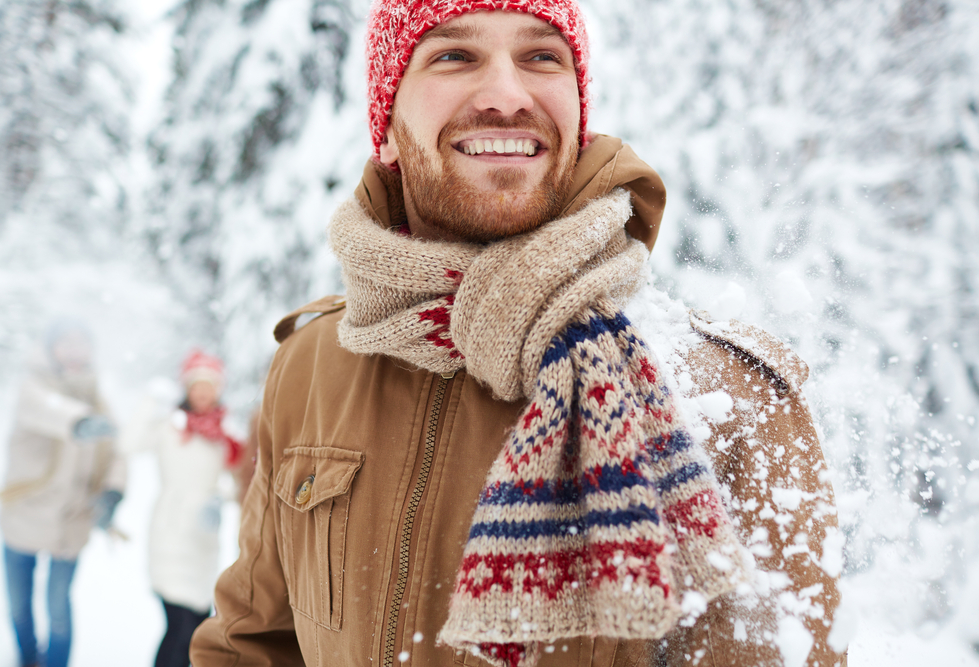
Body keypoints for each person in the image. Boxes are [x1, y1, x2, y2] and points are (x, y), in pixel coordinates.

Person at [192, 2, 846, 666]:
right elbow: (251, 645)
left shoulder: (722, 396)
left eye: (540, 57)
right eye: (454, 55)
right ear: (386, 128)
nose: (507, 96)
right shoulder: (312, 367)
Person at [0, 319, 125, 667]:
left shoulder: (99, 396)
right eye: (66, 342)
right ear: (51, 348)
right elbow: (44, 408)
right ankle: (26, 659)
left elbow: (116, 452)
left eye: (81, 342)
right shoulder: (33, 385)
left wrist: (113, 492)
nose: (73, 350)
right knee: (18, 604)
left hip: (72, 520)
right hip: (25, 512)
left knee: (58, 608)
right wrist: (80, 422)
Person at [122, 350, 244, 667]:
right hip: (171, 534)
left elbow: (239, 480)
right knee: (179, 626)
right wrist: (150, 401)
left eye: (210, 385)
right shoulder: (170, 426)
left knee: (199, 627)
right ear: (186, 388)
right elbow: (129, 444)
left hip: (203, 539)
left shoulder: (225, 433)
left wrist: (220, 497)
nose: (203, 392)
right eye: (197, 385)